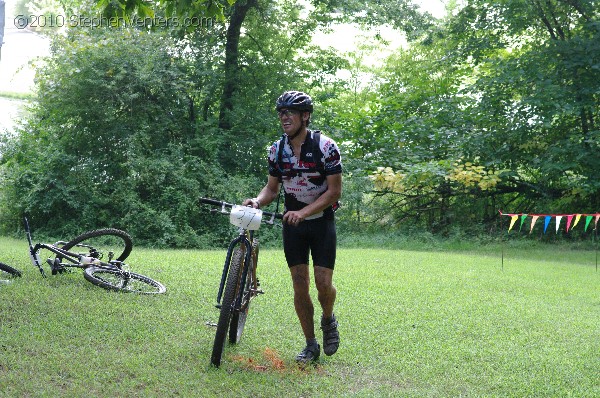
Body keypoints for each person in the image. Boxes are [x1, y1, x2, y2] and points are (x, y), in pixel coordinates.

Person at [243, 90, 342, 364]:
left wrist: (304, 212)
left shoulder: (326, 147)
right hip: (293, 226)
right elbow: (272, 189)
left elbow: (333, 192)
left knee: (324, 285)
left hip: (321, 223)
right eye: (281, 113)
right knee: (300, 285)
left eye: (290, 112)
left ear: (305, 116)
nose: (284, 117)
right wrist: (257, 201)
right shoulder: (277, 150)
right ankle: (311, 345)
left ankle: (328, 318)